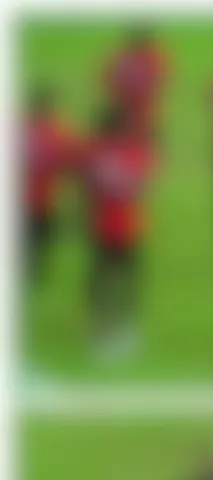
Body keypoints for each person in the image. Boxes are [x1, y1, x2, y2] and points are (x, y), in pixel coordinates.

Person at [82, 106, 155, 360]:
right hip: (127, 225)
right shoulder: (134, 152)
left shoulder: (94, 153)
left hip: (101, 224)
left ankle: (98, 325)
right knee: (127, 277)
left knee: (101, 277)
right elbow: (142, 186)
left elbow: (88, 188)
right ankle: (124, 325)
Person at [23, 87, 76, 288]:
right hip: (42, 200)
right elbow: (71, 161)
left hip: (31, 200)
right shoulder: (56, 133)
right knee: (39, 241)